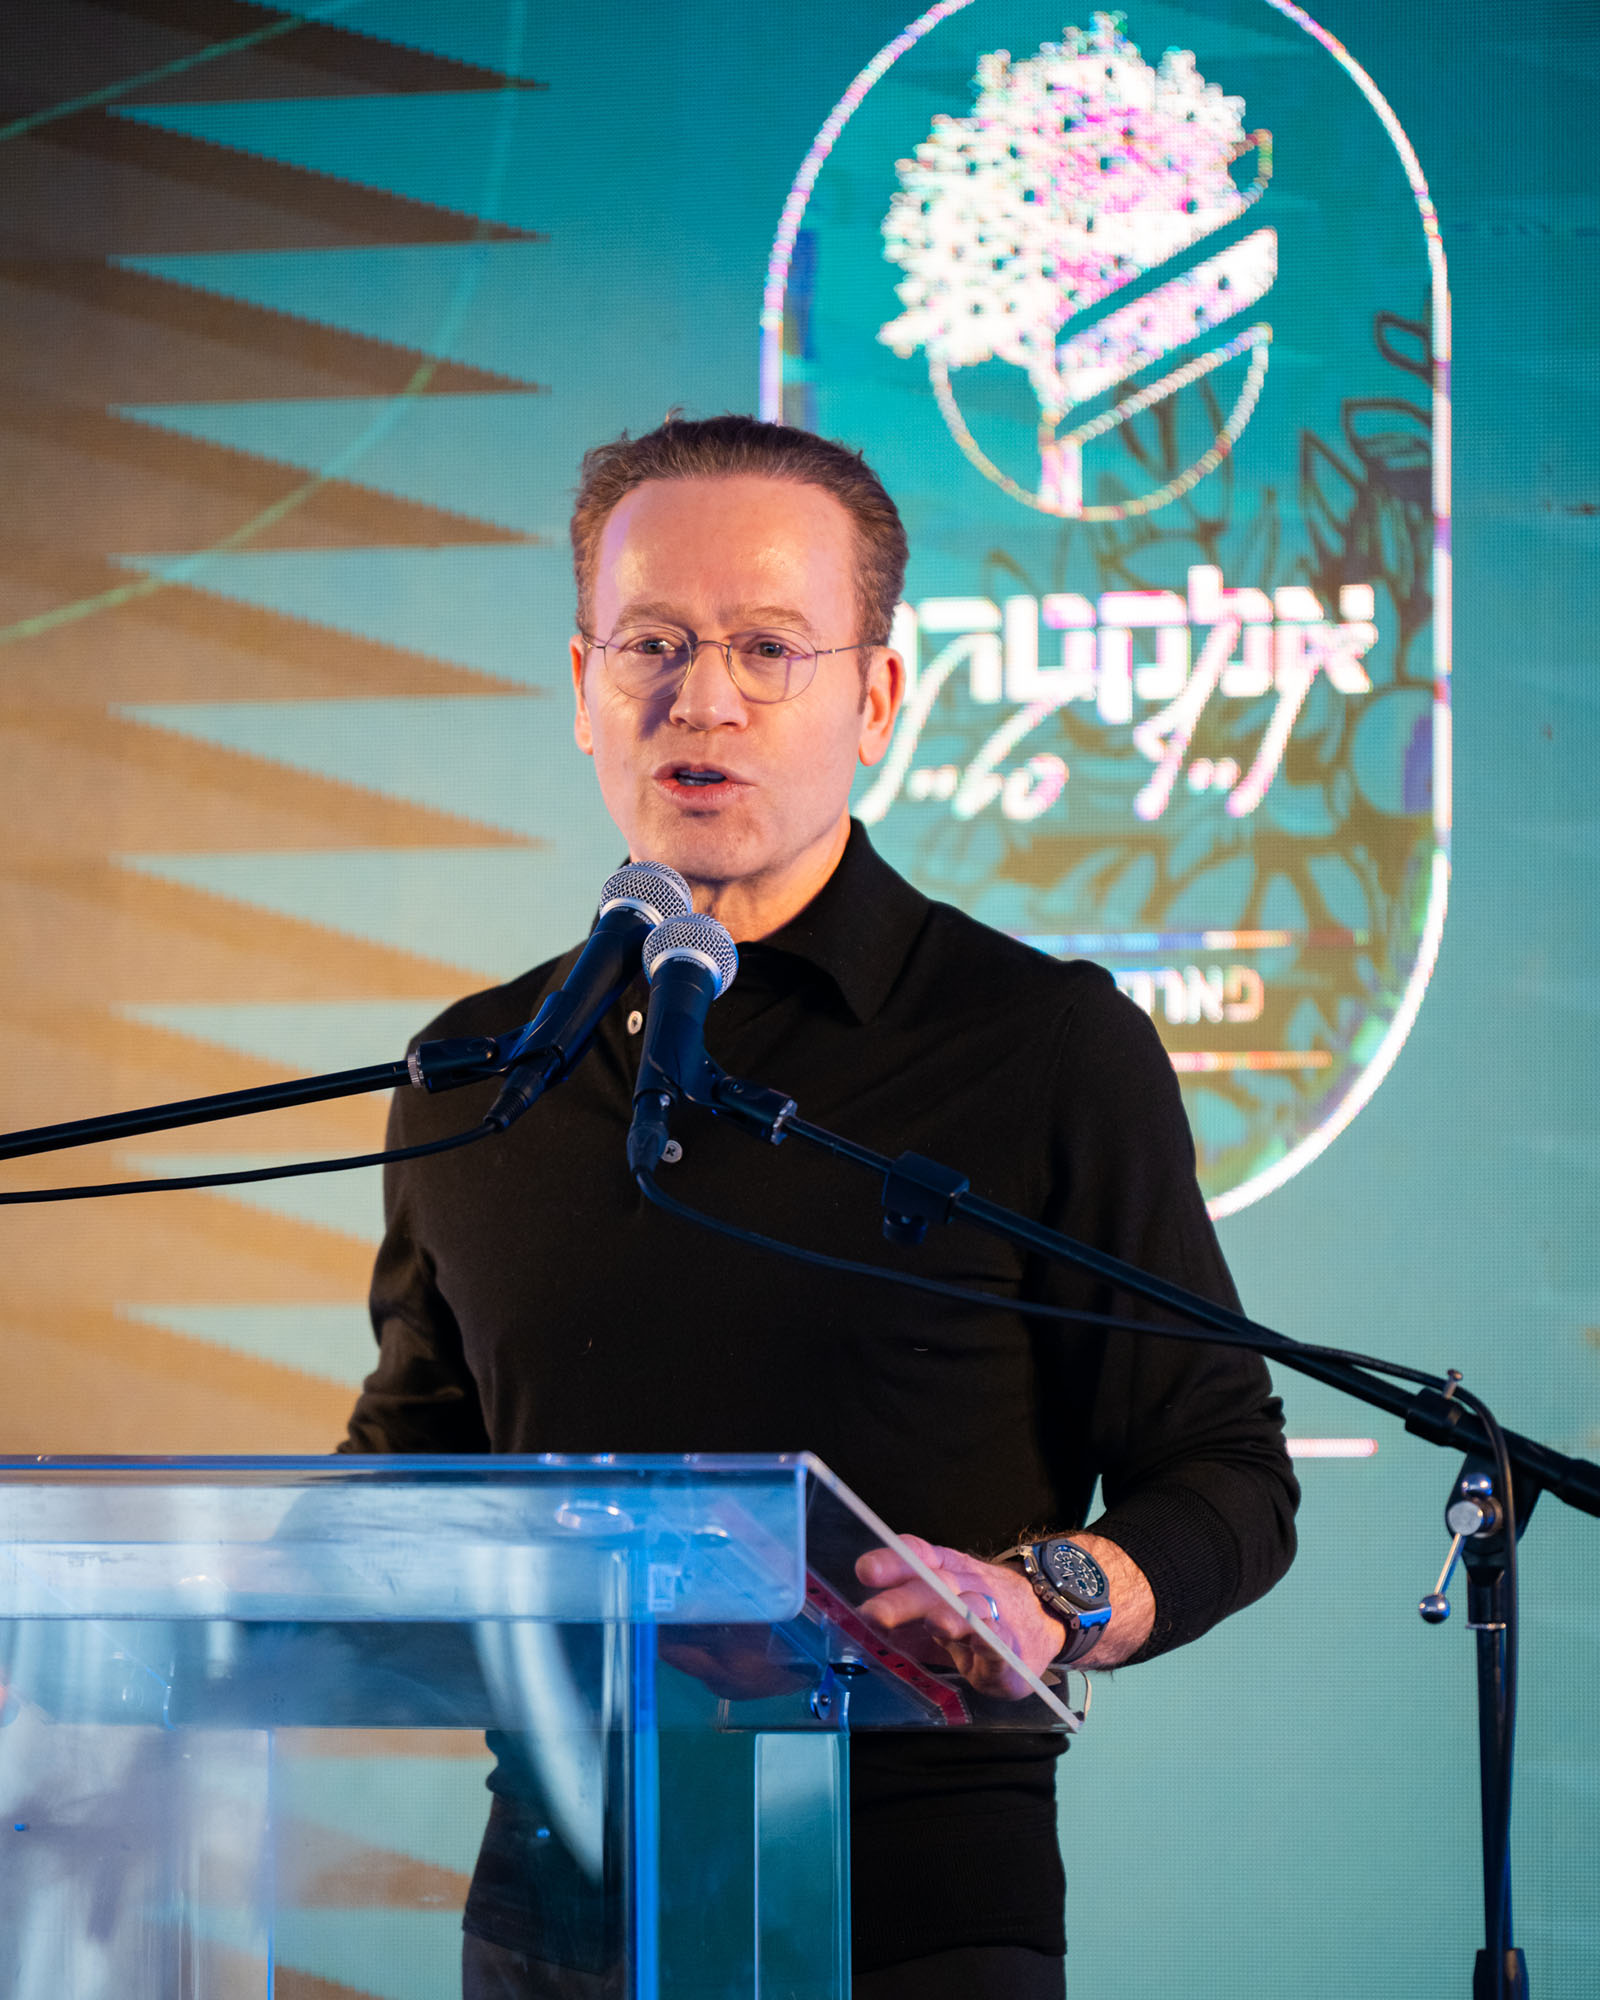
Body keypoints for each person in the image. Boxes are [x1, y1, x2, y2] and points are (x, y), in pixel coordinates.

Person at [341, 415, 1299, 1999]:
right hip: (552, 1915)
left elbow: (1227, 1473)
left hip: (912, 1917)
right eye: (652, 643)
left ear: (877, 698)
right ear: (582, 685)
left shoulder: (1039, 1045)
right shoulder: (475, 1071)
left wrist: (1041, 1597)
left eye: (768, 649)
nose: (700, 698)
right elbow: (412, 1470)